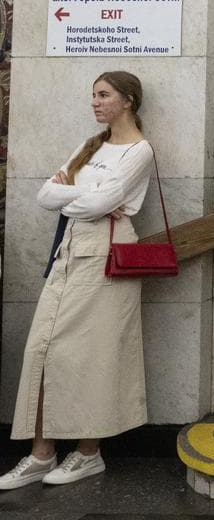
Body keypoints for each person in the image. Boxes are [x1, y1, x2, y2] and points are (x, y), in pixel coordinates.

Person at [0, 72, 152, 490]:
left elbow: (102, 201)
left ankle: (88, 454)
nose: (95, 103)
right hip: (69, 253)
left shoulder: (139, 150)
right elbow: (45, 196)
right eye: (93, 95)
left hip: (106, 258)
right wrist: (83, 198)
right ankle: (40, 454)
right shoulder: (92, 146)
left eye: (103, 95)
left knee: (94, 356)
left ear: (128, 100)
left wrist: (82, 196)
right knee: (43, 350)